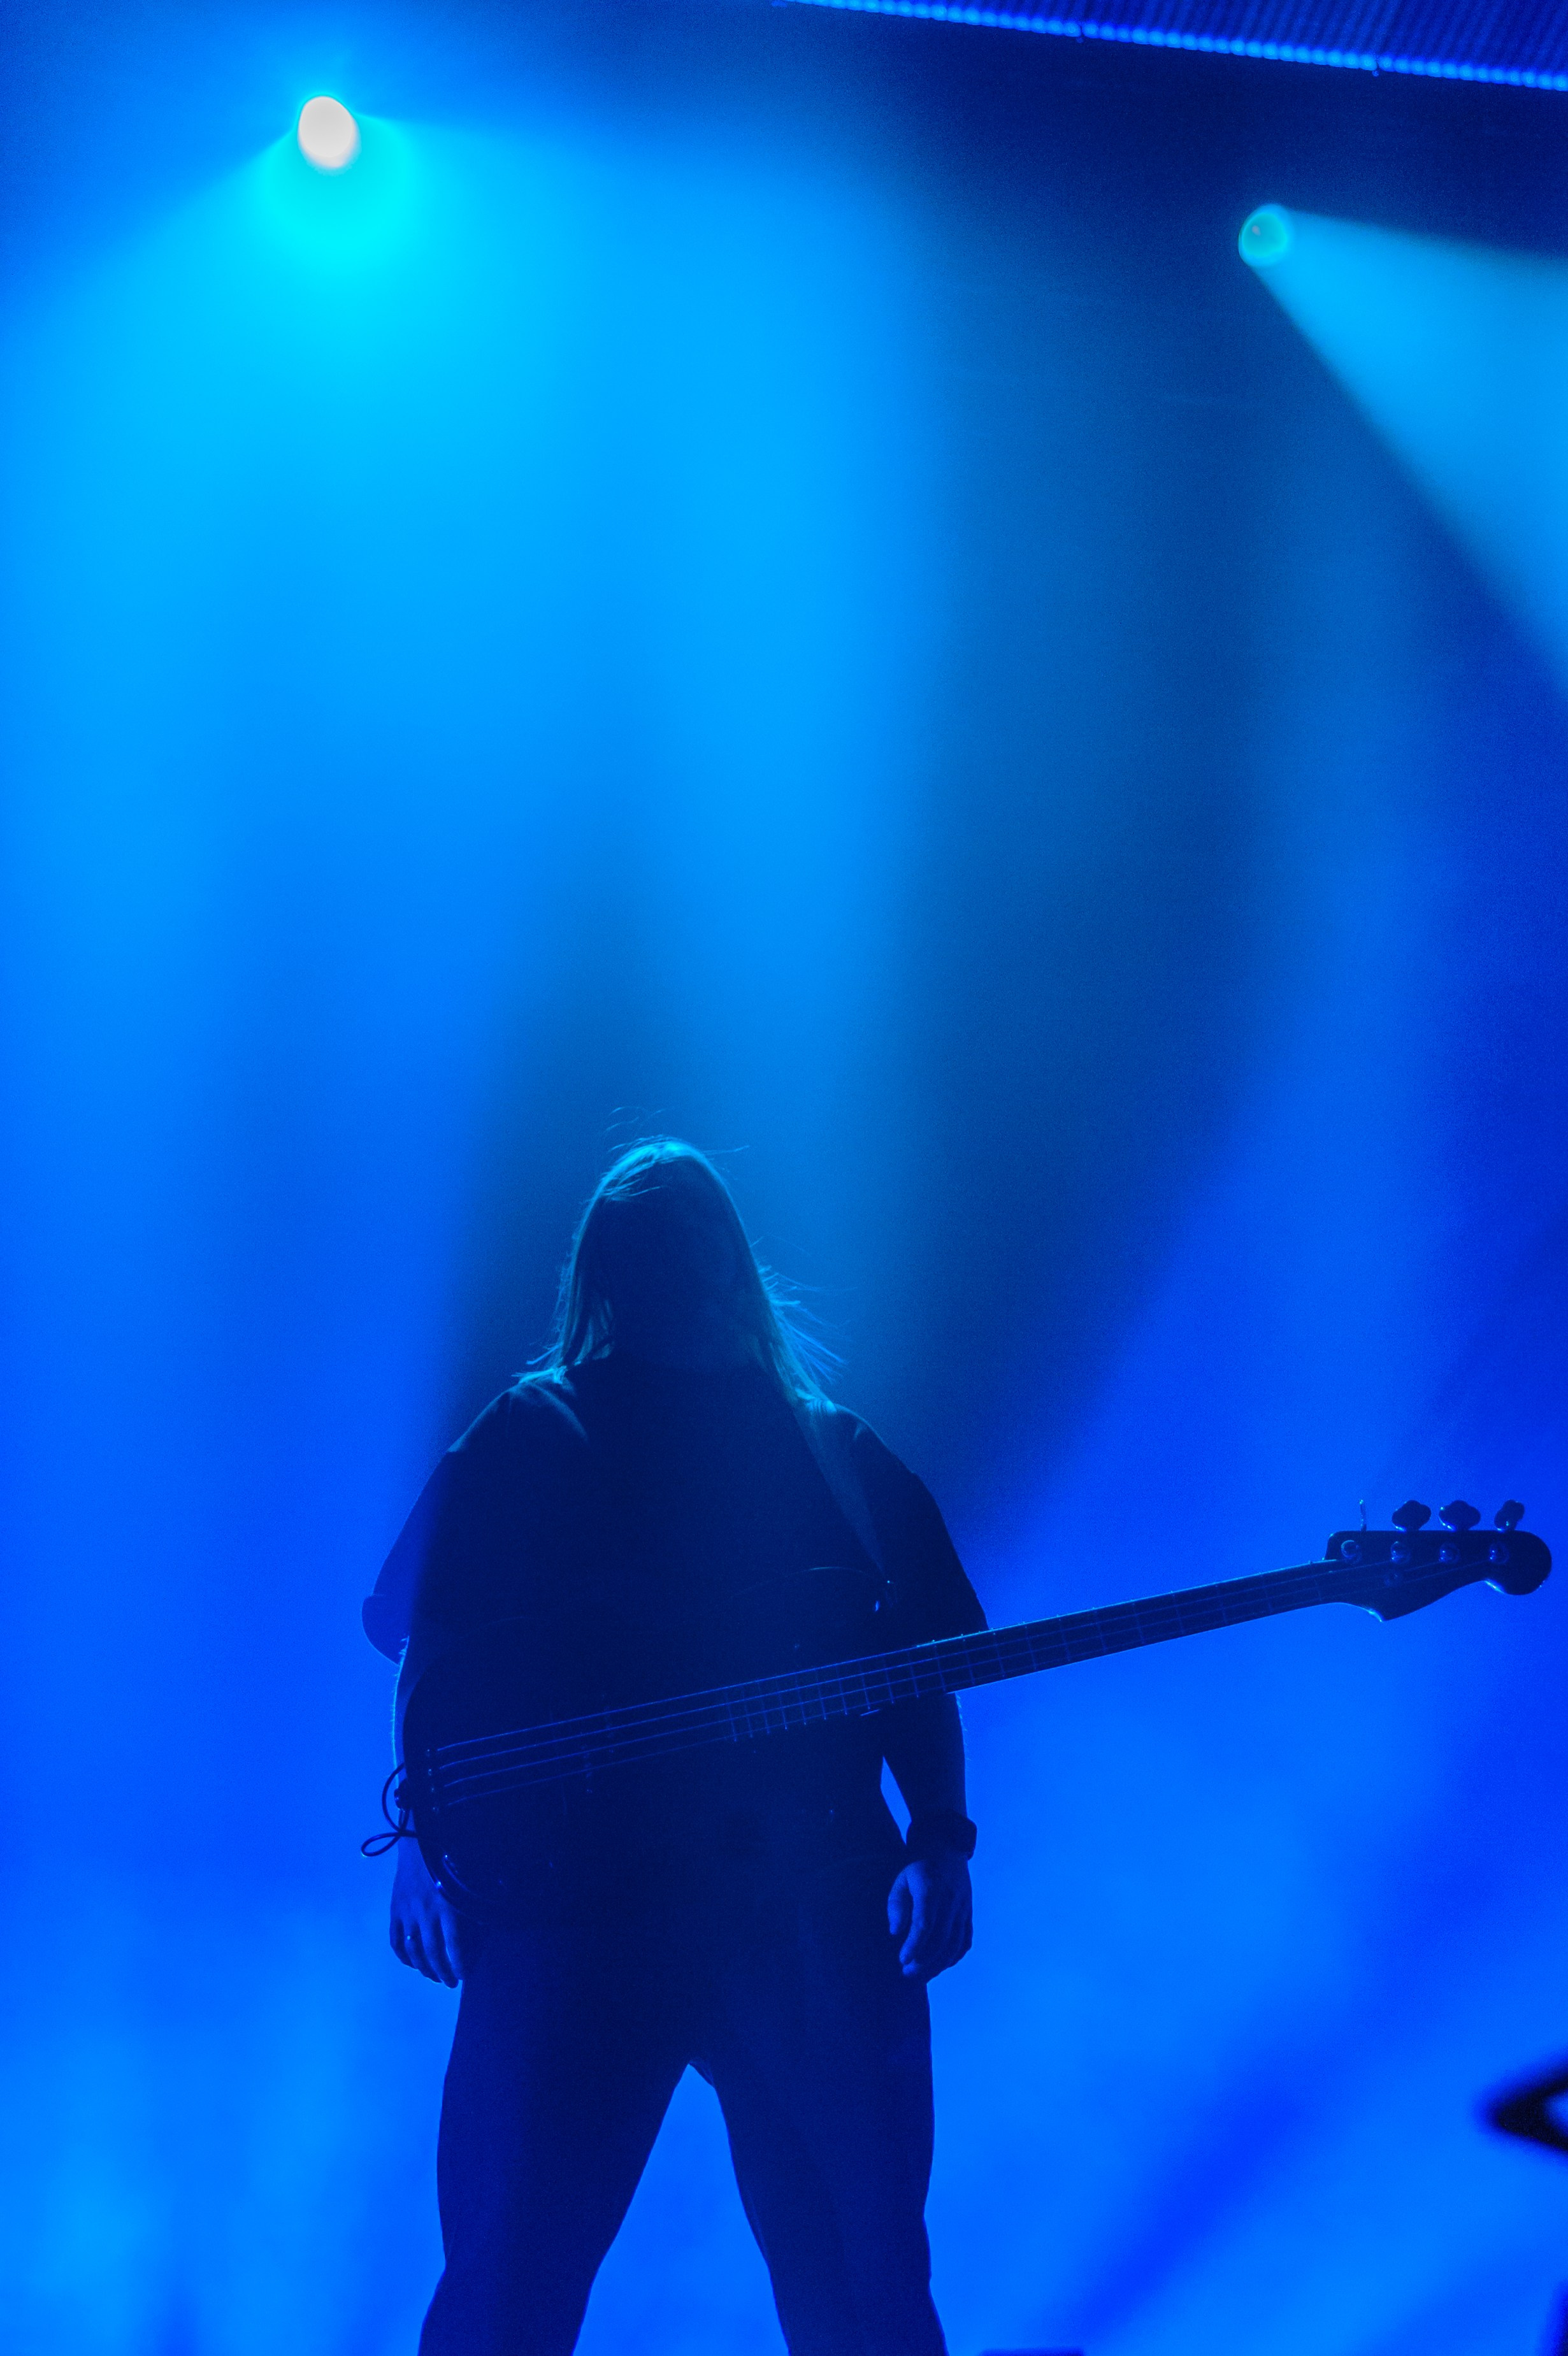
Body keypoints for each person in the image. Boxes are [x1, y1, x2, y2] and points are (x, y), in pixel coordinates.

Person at [363, 1140, 986, 2356]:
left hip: (801, 1898)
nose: (671, 1268)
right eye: (649, 1248)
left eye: (685, 1244)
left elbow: (909, 1663)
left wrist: (941, 1834)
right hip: (575, 1913)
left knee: (861, 2280)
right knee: (506, 2280)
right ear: (609, 1270)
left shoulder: (826, 1448)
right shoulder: (532, 1428)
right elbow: (428, 1639)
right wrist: (421, 1846)